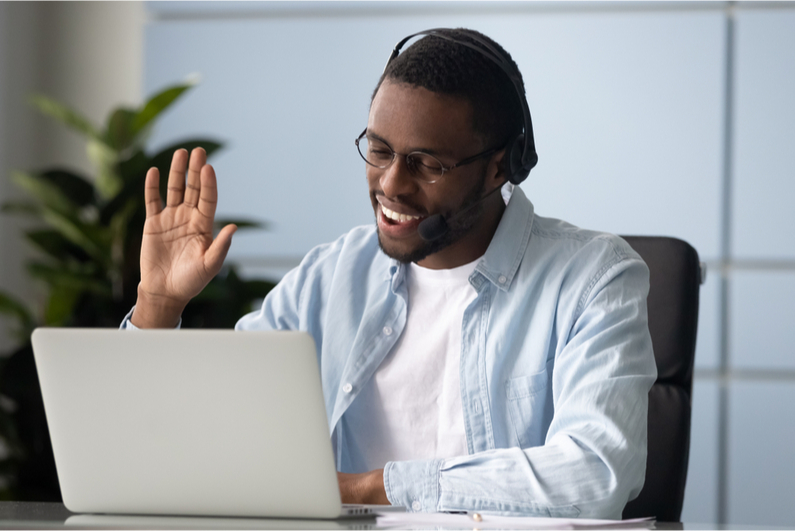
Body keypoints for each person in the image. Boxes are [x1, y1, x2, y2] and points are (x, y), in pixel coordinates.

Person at [124, 28, 656, 519]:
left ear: (499, 167)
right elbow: (204, 433)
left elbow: (595, 473)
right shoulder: (332, 276)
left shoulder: (594, 279)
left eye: (426, 164)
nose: (391, 185)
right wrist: (158, 306)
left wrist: (366, 490)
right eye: (378, 151)